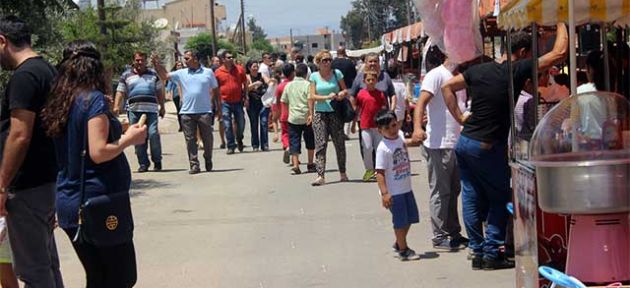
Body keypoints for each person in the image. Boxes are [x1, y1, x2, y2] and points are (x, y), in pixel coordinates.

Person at [442, 24, 567, 270]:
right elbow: (559, 53)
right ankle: (492, 254)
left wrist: (459, 117)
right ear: (521, 52)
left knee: (471, 196)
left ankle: (477, 252)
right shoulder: (516, 69)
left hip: (465, 142)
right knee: (499, 198)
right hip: (486, 146)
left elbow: (447, 87)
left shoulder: (478, 71)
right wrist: (562, 20)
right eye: (529, 54)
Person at [42, 40, 146, 287]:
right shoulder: (94, 100)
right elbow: (98, 151)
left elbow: (78, 140)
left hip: (70, 202)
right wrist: (128, 139)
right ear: (94, 68)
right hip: (98, 201)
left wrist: (113, 126)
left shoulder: (60, 102)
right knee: (122, 277)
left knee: (98, 276)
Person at [0, 15, 64, 288]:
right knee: (46, 263)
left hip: (26, 186)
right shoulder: (47, 70)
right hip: (45, 181)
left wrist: (2, 185)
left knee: (33, 270)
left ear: (2, 41)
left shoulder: (25, 76)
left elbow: (20, 134)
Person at [412, 52, 469, 251]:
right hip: (438, 143)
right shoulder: (436, 75)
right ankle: (439, 235)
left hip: (455, 142)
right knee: (440, 191)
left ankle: (453, 231)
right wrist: (417, 128)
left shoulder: (458, 77)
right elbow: (421, 103)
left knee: (454, 190)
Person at [152, 49, 219, 174]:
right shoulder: (181, 73)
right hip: (187, 112)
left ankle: (208, 157)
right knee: (190, 139)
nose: (184, 61)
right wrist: (157, 65)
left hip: (204, 111)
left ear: (195, 59)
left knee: (207, 139)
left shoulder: (208, 72)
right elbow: (164, 76)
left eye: (187, 58)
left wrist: (218, 107)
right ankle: (194, 164)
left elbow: (216, 90)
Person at [374, 110, 420, 261]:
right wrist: (385, 193)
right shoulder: (382, 148)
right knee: (400, 221)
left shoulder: (399, 136)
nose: (392, 130)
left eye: (394, 125)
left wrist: (414, 141)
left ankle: (399, 242)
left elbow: (405, 144)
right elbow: (379, 173)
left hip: (406, 187)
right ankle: (403, 249)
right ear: (380, 130)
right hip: (394, 192)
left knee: (411, 218)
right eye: (387, 128)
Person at [114, 51, 165, 173]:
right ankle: (143, 163)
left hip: (151, 110)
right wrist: (116, 106)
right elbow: (120, 91)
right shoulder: (126, 75)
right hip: (134, 110)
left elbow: (159, 91)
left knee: (153, 134)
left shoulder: (153, 74)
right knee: (137, 138)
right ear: (133, 61)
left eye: (142, 60)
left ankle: (157, 161)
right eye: (137, 60)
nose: (140, 62)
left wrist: (162, 106)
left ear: (146, 61)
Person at [308, 50, 349, 186]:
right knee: (320, 144)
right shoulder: (314, 76)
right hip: (320, 113)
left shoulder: (337, 74)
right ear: (318, 63)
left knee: (339, 143)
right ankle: (320, 175)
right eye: (324, 60)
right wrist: (311, 113)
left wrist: (341, 94)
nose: (327, 63)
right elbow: (312, 96)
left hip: (335, 111)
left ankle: (343, 173)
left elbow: (345, 90)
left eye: (329, 60)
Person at [351, 71, 387, 181]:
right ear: (364, 81)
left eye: (373, 80)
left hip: (378, 127)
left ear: (377, 81)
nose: (371, 82)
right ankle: (369, 169)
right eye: (368, 80)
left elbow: (384, 110)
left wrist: (385, 125)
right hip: (365, 125)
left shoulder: (380, 94)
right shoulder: (361, 94)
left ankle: (379, 170)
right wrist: (353, 124)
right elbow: (357, 110)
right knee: (367, 148)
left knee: (379, 149)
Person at [281, 63, 316, 175]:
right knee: (310, 141)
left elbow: (284, 100)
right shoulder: (308, 85)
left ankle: (296, 165)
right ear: (306, 74)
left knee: (294, 141)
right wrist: (311, 114)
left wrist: (288, 112)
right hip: (307, 117)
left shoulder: (289, 85)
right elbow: (310, 99)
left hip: (293, 118)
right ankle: (310, 164)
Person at [216, 51, 248, 154]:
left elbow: (245, 83)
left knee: (241, 122)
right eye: (228, 57)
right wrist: (216, 103)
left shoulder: (239, 69)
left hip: (238, 101)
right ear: (223, 59)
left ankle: (239, 138)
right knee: (227, 124)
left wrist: (246, 97)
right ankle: (230, 145)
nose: (231, 59)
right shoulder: (218, 72)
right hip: (225, 102)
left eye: (232, 57)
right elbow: (215, 88)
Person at [244, 59, 269, 152]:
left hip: (263, 102)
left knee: (264, 122)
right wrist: (254, 84)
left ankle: (265, 145)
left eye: (256, 66)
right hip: (252, 103)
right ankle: (255, 145)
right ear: (249, 68)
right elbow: (245, 89)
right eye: (253, 66)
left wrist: (271, 82)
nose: (255, 68)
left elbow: (268, 81)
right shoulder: (247, 77)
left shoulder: (261, 75)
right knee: (254, 124)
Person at [274, 64, 294, 163]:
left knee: (285, 134)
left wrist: (277, 114)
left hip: (284, 114)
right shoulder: (295, 85)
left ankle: (287, 147)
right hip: (295, 114)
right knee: (295, 136)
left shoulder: (280, 86)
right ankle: (295, 157)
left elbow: (277, 102)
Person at [387, 62, 410, 127]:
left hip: (388, 113)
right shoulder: (401, 85)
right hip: (400, 114)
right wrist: (408, 113)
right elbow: (406, 100)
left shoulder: (386, 85)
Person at [165, 60, 184, 132]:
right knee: (179, 110)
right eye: (178, 65)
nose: (180, 67)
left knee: (184, 110)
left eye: (181, 65)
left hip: (185, 95)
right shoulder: (173, 75)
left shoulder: (185, 73)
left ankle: (186, 125)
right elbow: (169, 84)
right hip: (176, 95)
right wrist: (168, 92)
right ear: (176, 67)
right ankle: (181, 126)